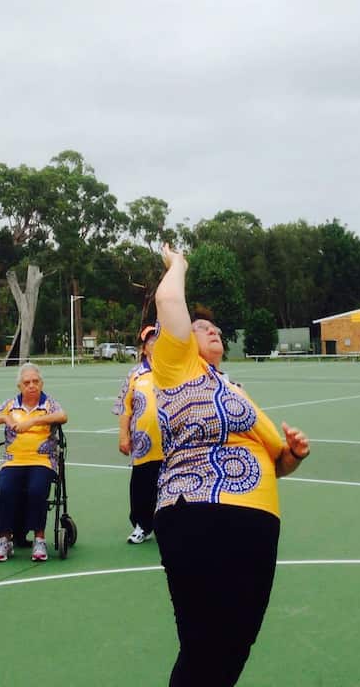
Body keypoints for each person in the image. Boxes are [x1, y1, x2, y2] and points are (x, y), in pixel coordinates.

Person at [152, 244, 311, 687]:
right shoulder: (175, 366)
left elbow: (277, 462)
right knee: (203, 640)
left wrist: (293, 454)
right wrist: (178, 264)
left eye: (218, 328)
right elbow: (168, 301)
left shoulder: (236, 390)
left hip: (257, 520)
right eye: (202, 327)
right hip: (197, 508)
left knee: (236, 642)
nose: (213, 331)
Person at [0, 364, 68, 563]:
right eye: (27, 383)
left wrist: (34, 422)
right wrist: (3, 418)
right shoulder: (11, 404)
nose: (32, 386)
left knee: (37, 489)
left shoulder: (48, 404)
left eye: (35, 382)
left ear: (41, 383)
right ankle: (4, 539)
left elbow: (63, 416)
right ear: (19, 386)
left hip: (42, 460)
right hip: (13, 461)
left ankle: (39, 539)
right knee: (6, 488)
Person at [113, 324, 163, 542]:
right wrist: (123, 436)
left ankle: (167, 525)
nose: (156, 345)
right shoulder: (135, 375)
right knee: (142, 486)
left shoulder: (174, 370)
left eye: (159, 341)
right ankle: (141, 525)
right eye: (151, 342)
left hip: (172, 442)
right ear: (144, 348)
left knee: (170, 485)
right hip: (143, 443)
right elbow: (125, 408)